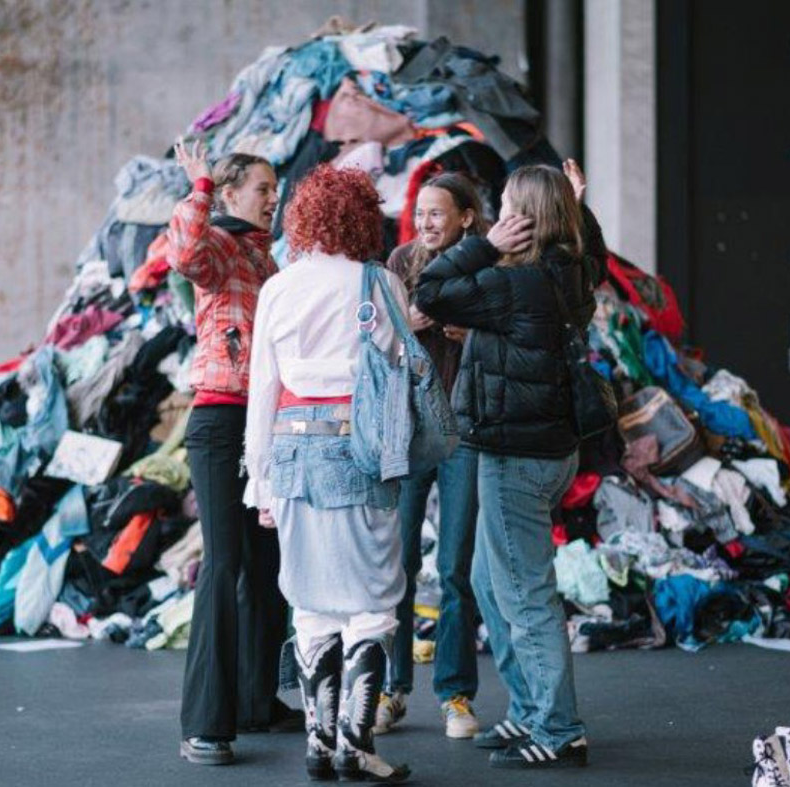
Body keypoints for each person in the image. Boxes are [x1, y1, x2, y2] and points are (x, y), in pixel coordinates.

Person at [415, 162, 598, 769]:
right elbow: (586, 250)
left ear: (523, 219)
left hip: (515, 454)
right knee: (497, 585)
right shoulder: (567, 273)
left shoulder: (513, 283)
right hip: (548, 449)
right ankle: (528, 710)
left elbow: (430, 289)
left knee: (523, 593)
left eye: (508, 208)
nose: (499, 217)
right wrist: (577, 207)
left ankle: (558, 727)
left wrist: (480, 246)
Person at [244, 164, 411, 783]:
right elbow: (394, 373)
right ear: (363, 217)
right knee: (373, 598)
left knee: (310, 599)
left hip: (289, 453)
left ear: (304, 218)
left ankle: (317, 742)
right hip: (360, 450)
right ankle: (355, 743)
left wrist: (258, 481)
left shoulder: (279, 287)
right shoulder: (381, 284)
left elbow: (263, 388)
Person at [374, 172, 518, 740]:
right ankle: (391, 688)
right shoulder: (399, 262)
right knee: (398, 568)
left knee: (455, 571)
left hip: (464, 433)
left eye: (439, 213)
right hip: (407, 435)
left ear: (466, 216)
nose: (427, 223)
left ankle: (456, 695)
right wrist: (403, 329)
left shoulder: (490, 266)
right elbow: (372, 349)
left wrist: (469, 334)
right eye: (421, 213)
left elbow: (513, 339)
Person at [169, 139, 298, 766]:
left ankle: (255, 701)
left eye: (276, 190)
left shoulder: (265, 260)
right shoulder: (219, 245)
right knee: (222, 565)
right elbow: (183, 253)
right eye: (262, 189)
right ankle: (205, 723)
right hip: (220, 420)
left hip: (264, 424)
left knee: (268, 566)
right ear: (229, 194)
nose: (273, 199)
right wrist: (197, 188)